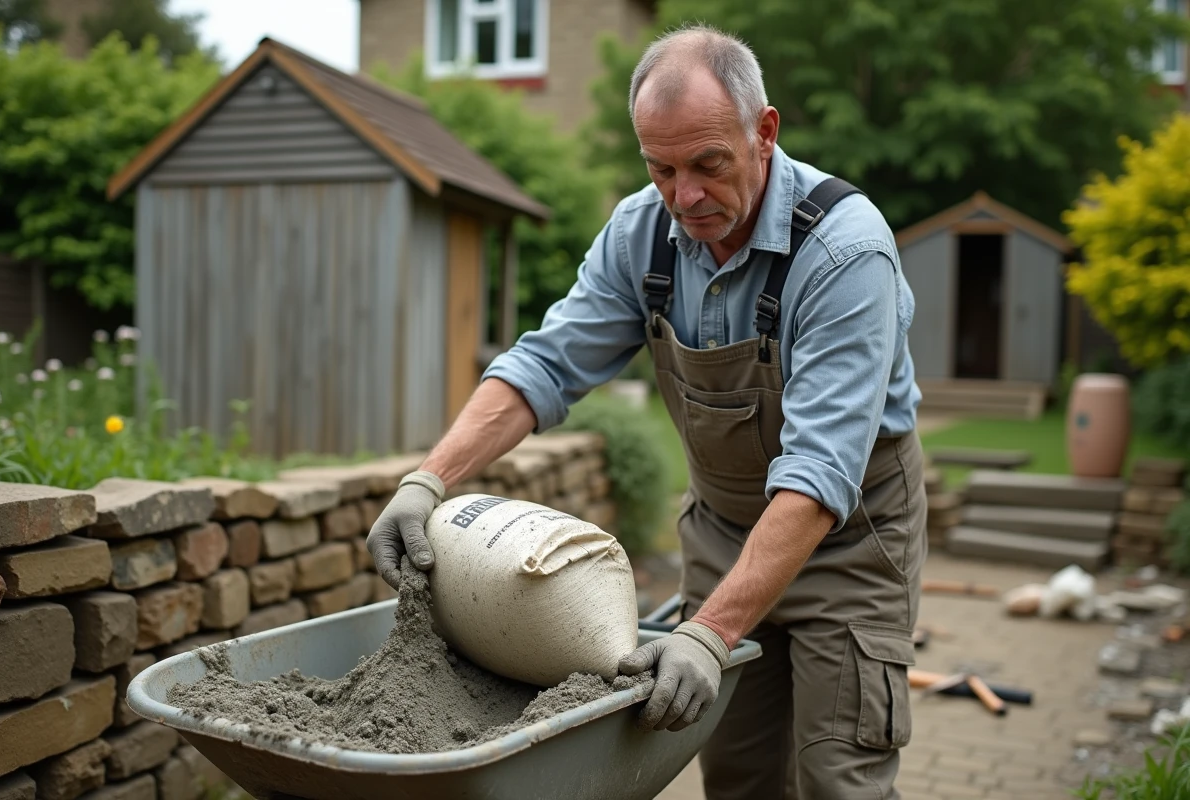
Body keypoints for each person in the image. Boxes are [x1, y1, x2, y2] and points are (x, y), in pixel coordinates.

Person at [367, 22, 926, 800]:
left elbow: (820, 472)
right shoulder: (643, 233)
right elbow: (544, 365)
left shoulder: (844, 255)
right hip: (727, 537)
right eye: (660, 168)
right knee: (736, 775)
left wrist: (708, 632)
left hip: (852, 546)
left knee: (840, 776)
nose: (684, 196)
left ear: (764, 133)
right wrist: (427, 482)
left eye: (707, 164)